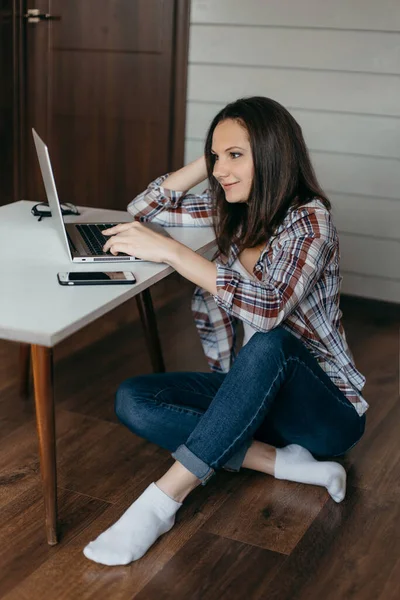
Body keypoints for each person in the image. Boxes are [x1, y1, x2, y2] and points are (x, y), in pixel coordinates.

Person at [83, 96, 368, 567]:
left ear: (275, 155)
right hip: (256, 396)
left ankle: (161, 503)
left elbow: (271, 307)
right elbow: (141, 211)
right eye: (216, 157)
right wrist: (214, 160)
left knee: (272, 339)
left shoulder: (310, 221)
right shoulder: (233, 210)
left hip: (326, 412)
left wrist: (176, 255)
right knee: (133, 398)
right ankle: (281, 463)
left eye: (236, 155)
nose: (220, 170)